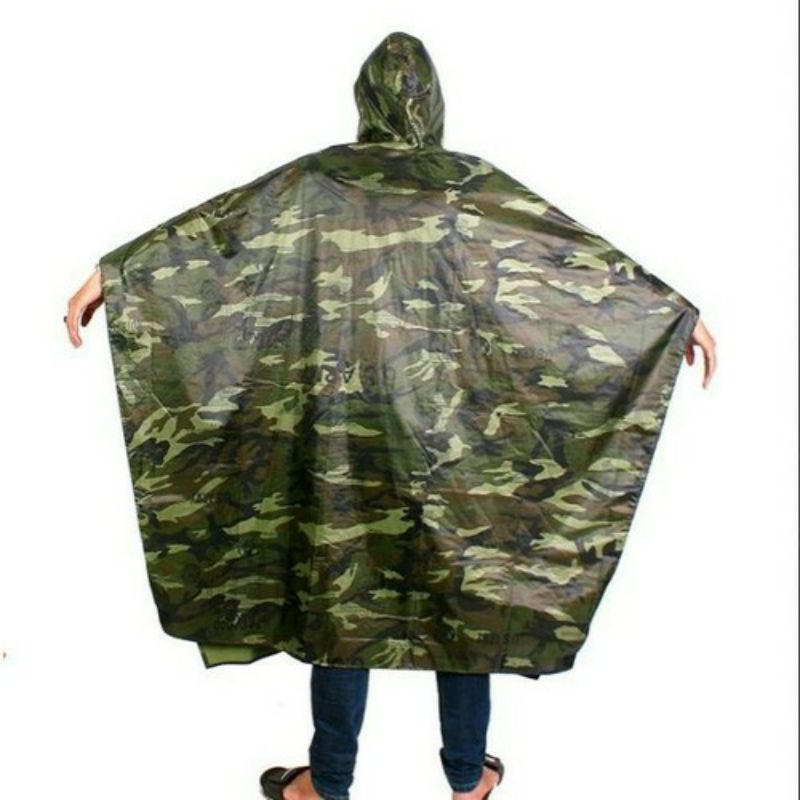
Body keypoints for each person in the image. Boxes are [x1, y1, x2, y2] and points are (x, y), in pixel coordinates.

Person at [63, 30, 717, 800]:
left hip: (338, 442)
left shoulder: (311, 184)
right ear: (433, 105)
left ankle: (328, 783)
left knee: (340, 594)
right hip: (452, 447)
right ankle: (467, 778)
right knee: (464, 588)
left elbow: (213, 241)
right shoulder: (473, 188)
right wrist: (671, 314)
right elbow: (570, 265)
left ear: (364, 101)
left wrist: (117, 275)